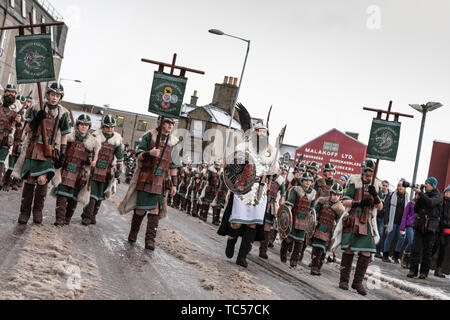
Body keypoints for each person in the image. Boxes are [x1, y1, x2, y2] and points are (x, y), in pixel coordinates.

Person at [217, 123, 276, 267]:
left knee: (253, 225)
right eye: (260, 131)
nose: (262, 134)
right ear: (254, 133)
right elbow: (232, 167)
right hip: (243, 188)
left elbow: (274, 173)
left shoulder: (271, 153)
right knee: (237, 222)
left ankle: (242, 256)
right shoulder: (243, 148)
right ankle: (231, 239)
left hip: (259, 191)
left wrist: (273, 170)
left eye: (265, 132)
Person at [13, 83, 71, 225]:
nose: (54, 98)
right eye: (52, 94)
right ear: (48, 95)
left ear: (60, 97)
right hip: (33, 148)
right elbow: (27, 128)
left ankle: (37, 211)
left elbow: (64, 135)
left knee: (42, 180)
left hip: (49, 151)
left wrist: (63, 153)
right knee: (31, 180)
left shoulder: (63, 113)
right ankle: (24, 212)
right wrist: (36, 119)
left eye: (57, 96)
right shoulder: (36, 107)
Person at [119, 117, 180, 250]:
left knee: (155, 210)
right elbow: (139, 154)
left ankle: (150, 240)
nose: (170, 125)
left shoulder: (174, 142)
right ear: (161, 122)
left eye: (172, 123)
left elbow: (174, 166)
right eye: (167, 122)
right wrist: (149, 153)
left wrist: (174, 184)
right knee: (140, 209)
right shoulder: (149, 136)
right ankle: (133, 233)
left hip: (161, 180)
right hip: (146, 177)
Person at [332, 159, 383, 296]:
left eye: (371, 173)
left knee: (367, 251)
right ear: (363, 171)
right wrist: (359, 202)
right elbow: (345, 201)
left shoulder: (376, 184)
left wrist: (375, 195)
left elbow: (380, 207)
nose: (368, 175)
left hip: (368, 220)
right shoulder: (354, 181)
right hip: (353, 217)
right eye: (367, 173)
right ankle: (344, 280)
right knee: (348, 250)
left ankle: (357, 282)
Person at [54, 114, 99, 226]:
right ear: (77, 125)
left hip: (80, 174)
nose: (83, 127)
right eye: (81, 124)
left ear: (89, 127)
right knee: (62, 195)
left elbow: (91, 158)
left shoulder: (92, 142)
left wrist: (92, 162)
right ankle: (59, 218)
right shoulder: (69, 136)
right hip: (65, 169)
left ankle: (67, 219)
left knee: (73, 198)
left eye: (86, 125)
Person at [81, 114, 123, 225]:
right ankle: (87, 216)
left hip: (107, 171)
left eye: (112, 127)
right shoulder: (95, 136)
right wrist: (90, 161)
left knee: (100, 195)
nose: (110, 129)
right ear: (103, 127)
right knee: (92, 194)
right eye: (107, 127)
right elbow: (89, 150)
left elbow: (120, 157)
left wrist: (119, 169)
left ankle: (93, 215)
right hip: (94, 169)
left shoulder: (117, 140)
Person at [407, 177, 443, 279]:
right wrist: (419, 196)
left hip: (431, 227)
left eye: (427, 183)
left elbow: (430, 203)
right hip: (419, 225)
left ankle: (423, 272)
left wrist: (421, 194)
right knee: (415, 248)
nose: (425, 185)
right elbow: (416, 209)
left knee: (427, 251)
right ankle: (413, 270)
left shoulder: (438, 196)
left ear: (432, 185)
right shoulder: (424, 195)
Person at [280, 171, 317, 267]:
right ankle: (283, 253)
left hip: (304, 220)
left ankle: (294, 260)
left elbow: (312, 209)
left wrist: (312, 220)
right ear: (302, 181)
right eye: (306, 180)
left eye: (309, 181)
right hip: (294, 217)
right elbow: (290, 202)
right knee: (288, 238)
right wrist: (288, 212)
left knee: (299, 241)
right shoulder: (296, 190)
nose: (308, 182)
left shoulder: (313, 193)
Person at [310, 183, 345, 275]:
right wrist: (314, 220)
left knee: (323, 250)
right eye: (334, 194)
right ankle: (314, 266)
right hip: (319, 228)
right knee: (316, 248)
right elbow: (313, 212)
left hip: (329, 232)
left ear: (340, 196)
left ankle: (318, 267)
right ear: (331, 193)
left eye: (337, 195)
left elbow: (339, 222)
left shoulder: (340, 209)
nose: (335, 197)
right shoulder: (322, 201)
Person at [259, 171, 286, 259]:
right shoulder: (264, 175)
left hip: (271, 204)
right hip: (261, 201)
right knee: (256, 224)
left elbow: (283, 192)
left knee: (267, 227)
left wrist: (282, 198)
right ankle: (248, 246)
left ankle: (263, 250)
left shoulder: (280, 180)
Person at [382, 179, 409, 263]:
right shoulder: (392, 195)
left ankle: (396, 256)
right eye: (399, 186)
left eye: (402, 186)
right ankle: (385, 255)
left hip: (402, 222)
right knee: (389, 237)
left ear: (405, 188)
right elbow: (386, 208)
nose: (400, 187)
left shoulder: (407, 198)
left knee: (402, 238)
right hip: (392, 221)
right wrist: (387, 220)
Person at [0, 84, 21, 189]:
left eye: (13, 92)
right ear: (5, 93)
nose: (10, 94)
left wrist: (18, 121)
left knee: (1, 162)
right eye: (8, 91)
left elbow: (19, 127)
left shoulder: (17, 110)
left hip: (6, 139)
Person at [434, 185, 450, 278]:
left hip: (448, 229)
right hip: (439, 228)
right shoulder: (441, 201)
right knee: (434, 246)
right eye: (447, 192)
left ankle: (438, 268)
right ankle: (425, 264)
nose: (448, 194)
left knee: (443, 249)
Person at [399, 193, 419, 269]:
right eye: (417, 194)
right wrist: (402, 228)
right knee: (411, 241)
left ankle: (408, 260)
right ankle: (404, 257)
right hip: (410, 225)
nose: (418, 196)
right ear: (415, 195)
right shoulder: (410, 203)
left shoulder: (422, 205)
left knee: (415, 244)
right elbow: (404, 215)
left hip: (418, 226)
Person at [375, 180, 390, 258]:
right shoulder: (377, 193)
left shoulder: (389, 196)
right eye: (383, 185)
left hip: (382, 217)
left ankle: (377, 251)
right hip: (374, 215)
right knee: (371, 232)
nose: (384, 187)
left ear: (388, 187)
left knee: (380, 234)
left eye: (386, 186)